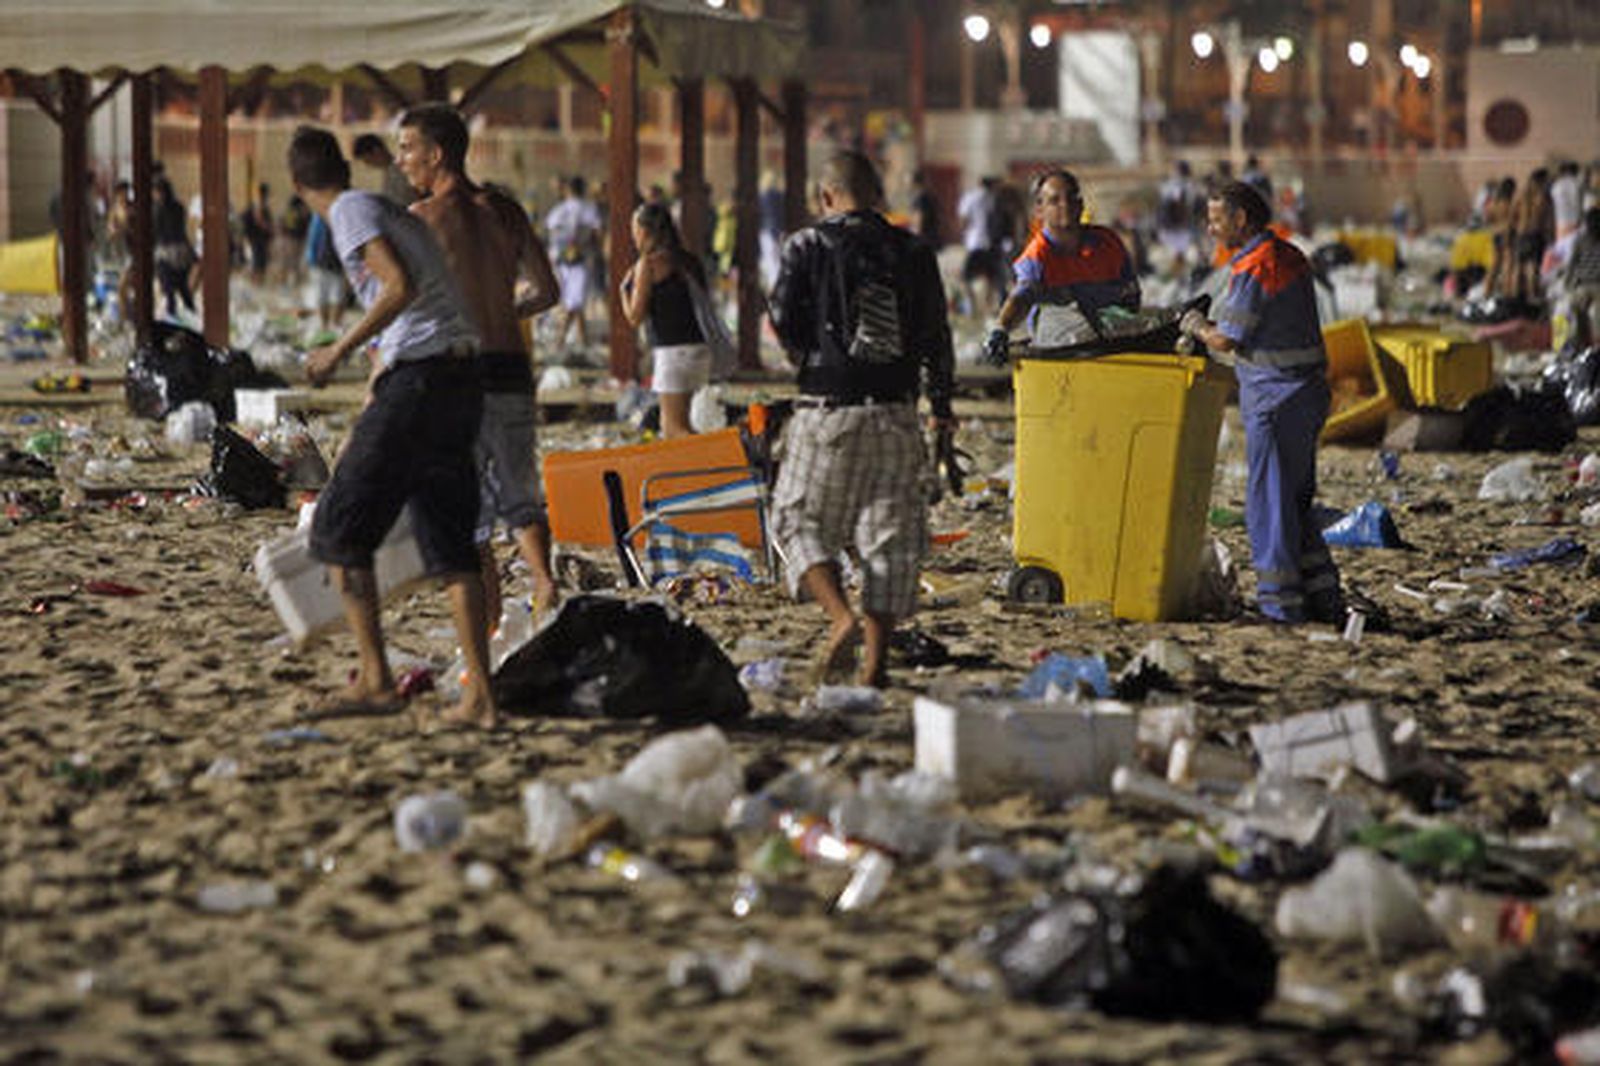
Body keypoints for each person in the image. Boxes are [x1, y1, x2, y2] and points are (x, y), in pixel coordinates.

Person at [286, 125, 496, 728]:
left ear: (300, 185)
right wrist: (372, 401)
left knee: (337, 528)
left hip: (425, 382)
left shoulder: (349, 212)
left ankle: (377, 680)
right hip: (457, 379)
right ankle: (481, 696)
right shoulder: (379, 205)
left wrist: (335, 353)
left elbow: (399, 287)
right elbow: (417, 311)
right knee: (449, 538)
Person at [768, 150, 956, 688]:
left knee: (796, 519)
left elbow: (782, 318)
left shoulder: (805, 245)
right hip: (898, 412)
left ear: (826, 196)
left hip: (828, 412)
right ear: (877, 194)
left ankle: (840, 616)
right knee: (889, 541)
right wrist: (941, 409)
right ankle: (874, 665)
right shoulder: (915, 250)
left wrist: (809, 360)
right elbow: (936, 336)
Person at [395, 102, 563, 629]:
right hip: (512, 366)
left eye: (408, 149)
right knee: (519, 493)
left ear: (437, 154)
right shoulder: (506, 211)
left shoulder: (422, 220)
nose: (402, 161)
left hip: (462, 372)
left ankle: (488, 627)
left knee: (467, 511)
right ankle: (542, 579)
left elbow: (406, 304)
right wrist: (503, 312)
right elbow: (547, 290)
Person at [1178, 181, 1344, 625]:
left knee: (1268, 506)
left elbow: (1228, 339)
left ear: (1240, 220)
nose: (1210, 228)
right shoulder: (1289, 256)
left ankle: (1280, 606)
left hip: (1276, 399)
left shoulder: (1254, 266)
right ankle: (1324, 599)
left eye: (1216, 219)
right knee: (1294, 502)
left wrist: (1194, 325)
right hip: (1306, 394)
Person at [982, 168, 1140, 363]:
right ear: (1039, 210)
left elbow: (1131, 295)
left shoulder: (1108, 242)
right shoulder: (1036, 257)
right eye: (1054, 200)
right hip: (1062, 354)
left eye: (1070, 198)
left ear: (1081, 204)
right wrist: (1001, 329)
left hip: (1113, 347)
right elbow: (1021, 297)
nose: (1065, 205)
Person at [620, 202, 713, 439]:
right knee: (680, 423)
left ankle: (721, 460)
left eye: (634, 229)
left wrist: (623, 291)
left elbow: (634, 317)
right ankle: (699, 469)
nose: (633, 237)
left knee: (673, 428)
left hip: (673, 353)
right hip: (699, 350)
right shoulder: (689, 260)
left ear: (643, 230)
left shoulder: (648, 264)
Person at [544, 175, 601, 353]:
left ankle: (582, 341)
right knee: (575, 301)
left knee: (573, 300)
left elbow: (550, 230)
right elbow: (596, 231)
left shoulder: (559, 209)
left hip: (560, 260)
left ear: (568, 189)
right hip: (581, 259)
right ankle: (562, 341)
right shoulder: (589, 209)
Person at [152, 177, 196, 319]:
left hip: (166, 253)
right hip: (181, 252)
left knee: (170, 290)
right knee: (182, 288)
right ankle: (191, 315)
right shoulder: (179, 207)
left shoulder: (158, 210)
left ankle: (174, 318)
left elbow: (158, 231)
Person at [1509, 168, 1554, 303]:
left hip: (1520, 234)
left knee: (1518, 265)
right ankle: (1532, 295)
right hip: (1534, 234)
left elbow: (1512, 215)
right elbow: (1546, 220)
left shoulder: (1520, 195)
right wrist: (1549, 237)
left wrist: (1515, 228)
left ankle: (1514, 295)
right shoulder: (1542, 197)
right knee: (1532, 266)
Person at [303, 210, 347, 335]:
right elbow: (313, 238)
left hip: (332, 261)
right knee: (326, 294)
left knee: (334, 294)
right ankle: (327, 325)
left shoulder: (337, 215)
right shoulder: (320, 216)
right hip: (323, 261)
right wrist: (310, 259)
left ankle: (333, 324)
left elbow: (312, 238)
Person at [1564, 207, 1600, 349]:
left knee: (1584, 313)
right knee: (1589, 314)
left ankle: (1587, 344)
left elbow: (1572, 264)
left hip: (1588, 286)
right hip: (1591, 286)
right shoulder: (1581, 240)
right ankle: (1589, 344)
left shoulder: (1580, 240)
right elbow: (1572, 264)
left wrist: (1568, 284)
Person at [351, 133, 417, 207]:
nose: (369, 165)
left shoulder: (401, 170)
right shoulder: (389, 172)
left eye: (368, 160)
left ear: (376, 151)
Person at [241, 182, 274, 283]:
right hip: (254, 239)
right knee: (255, 262)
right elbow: (258, 221)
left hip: (260, 240)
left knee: (260, 263)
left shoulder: (262, 207)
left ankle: (257, 281)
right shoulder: (255, 207)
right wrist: (268, 227)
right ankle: (255, 281)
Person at [1552, 161, 1583, 241]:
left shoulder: (1556, 185)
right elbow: (1578, 203)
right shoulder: (1577, 184)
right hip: (1574, 221)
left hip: (1560, 222)